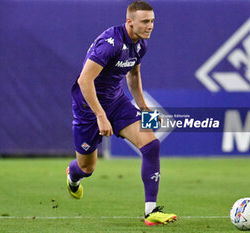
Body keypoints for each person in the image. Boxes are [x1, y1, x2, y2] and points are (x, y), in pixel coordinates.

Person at [66, 1, 177, 226]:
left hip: (117, 103)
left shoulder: (140, 45)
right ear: (130, 22)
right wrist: (100, 115)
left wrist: (144, 107)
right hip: (89, 108)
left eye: (152, 21)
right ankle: (72, 175)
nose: (150, 26)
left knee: (151, 145)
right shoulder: (110, 43)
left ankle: (151, 212)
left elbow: (133, 76)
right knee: (87, 168)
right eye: (145, 21)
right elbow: (84, 80)